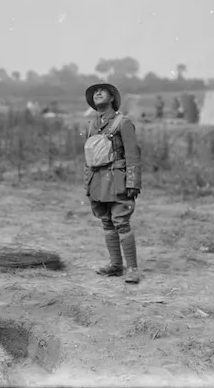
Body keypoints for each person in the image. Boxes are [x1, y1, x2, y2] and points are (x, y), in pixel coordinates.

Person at [83, 82, 142, 284]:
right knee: (106, 222)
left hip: (118, 180)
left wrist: (133, 182)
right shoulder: (92, 125)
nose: (97, 93)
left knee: (121, 222)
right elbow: (90, 156)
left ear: (112, 98)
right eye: (95, 92)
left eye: (103, 91)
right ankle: (116, 266)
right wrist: (87, 184)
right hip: (98, 181)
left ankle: (132, 269)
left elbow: (133, 156)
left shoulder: (123, 123)